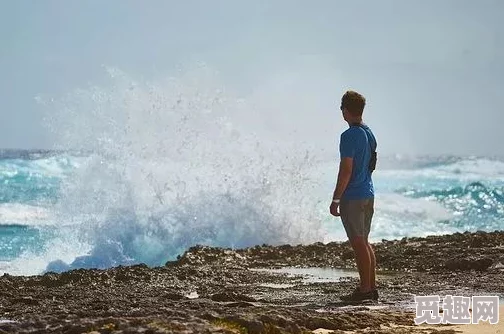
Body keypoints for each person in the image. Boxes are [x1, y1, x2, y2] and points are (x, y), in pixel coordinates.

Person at [330, 90, 378, 301]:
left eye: (342, 109)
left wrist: (336, 198)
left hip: (354, 196)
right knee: (364, 242)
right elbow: (371, 165)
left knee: (359, 244)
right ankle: (370, 287)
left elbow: (346, 169)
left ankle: (365, 289)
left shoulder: (348, 136)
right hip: (368, 192)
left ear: (346, 111)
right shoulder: (369, 133)